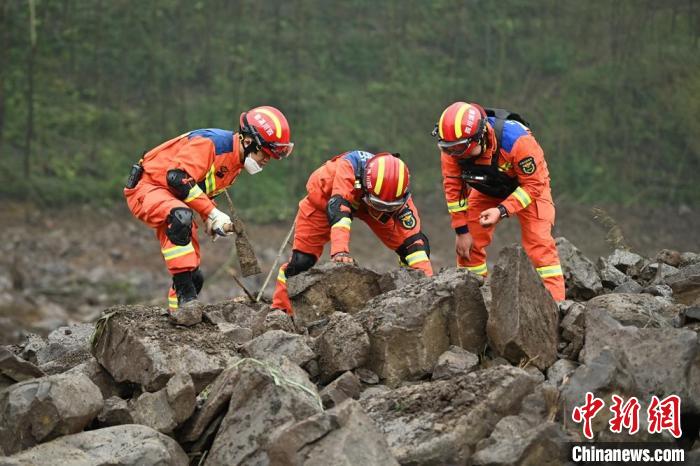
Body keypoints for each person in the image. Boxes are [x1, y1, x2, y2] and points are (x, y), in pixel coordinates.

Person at [124, 106, 294, 323]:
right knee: (180, 218)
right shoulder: (211, 144)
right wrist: (212, 212)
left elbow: (200, 188)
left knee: (194, 278)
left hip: (171, 197)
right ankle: (187, 302)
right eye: (266, 154)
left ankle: (179, 316)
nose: (267, 160)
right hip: (147, 188)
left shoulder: (235, 165)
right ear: (248, 142)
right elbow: (177, 177)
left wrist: (210, 218)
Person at [271, 151, 433, 315]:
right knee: (301, 261)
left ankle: (410, 292)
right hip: (324, 200)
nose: (383, 209)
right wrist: (340, 251)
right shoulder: (349, 167)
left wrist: (428, 284)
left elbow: (415, 242)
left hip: (368, 206)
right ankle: (281, 309)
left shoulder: (398, 196)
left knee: (412, 248)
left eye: (388, 207)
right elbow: (339, 210)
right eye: (380, 204)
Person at [433, 101, 565, 301]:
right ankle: (471, 302)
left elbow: (534, 185)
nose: (456, 154)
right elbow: (453, 187)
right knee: (468, 245)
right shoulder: (452, 148)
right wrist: (461, 230)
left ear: (481, 136)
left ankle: (556, 306)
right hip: (488, 189)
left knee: (539, 244)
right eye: (449, 148)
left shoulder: (517, 141)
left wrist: (502, 210)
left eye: (461, 148)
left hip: (527, 187)